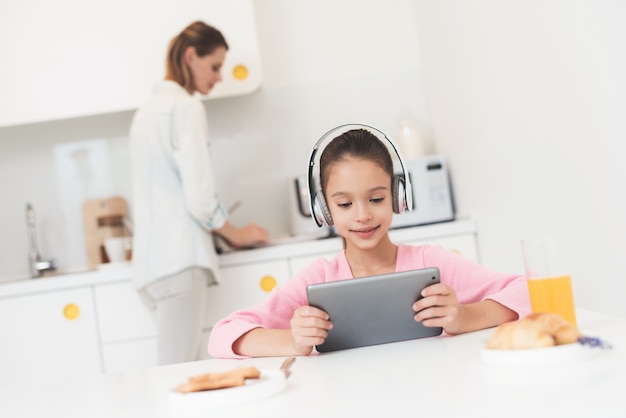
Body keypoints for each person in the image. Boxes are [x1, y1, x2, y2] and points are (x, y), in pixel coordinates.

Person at [207, 125, 530, 359]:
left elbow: (530, 291)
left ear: (396, 196)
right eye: (345, 204)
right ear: (325, 209)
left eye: (375, 199)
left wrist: (465, 317)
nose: (362, 215)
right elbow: (222, 335)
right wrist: (293, 341)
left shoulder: (433, 263)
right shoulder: (317, 279)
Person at [129, 21, 269, 365]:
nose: (219, 76)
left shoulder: (146, 112)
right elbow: (200, 199)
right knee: (176, 375)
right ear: (191, 56)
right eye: (215, 66)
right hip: (180, 262)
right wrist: (236, 234)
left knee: (179, 371)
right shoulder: (186, 106)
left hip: (150, 269)